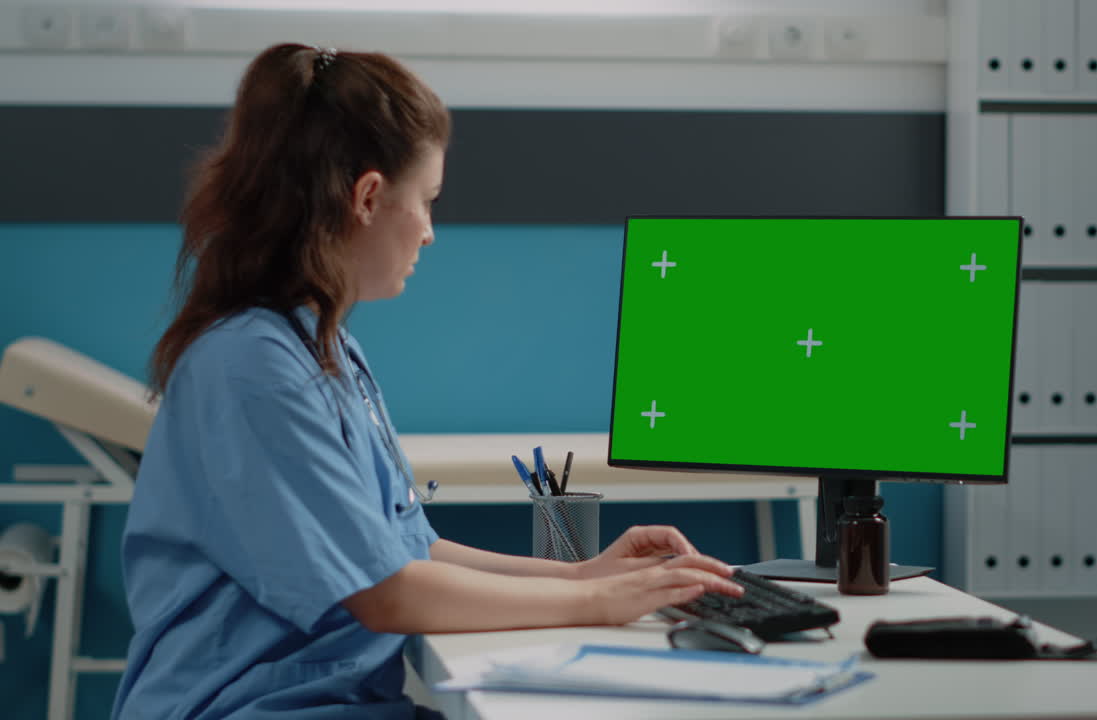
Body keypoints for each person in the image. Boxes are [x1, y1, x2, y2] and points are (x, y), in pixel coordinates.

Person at [111, 43, 740, 719]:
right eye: (428, 201)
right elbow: (387, 593)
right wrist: (596, 602)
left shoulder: (323, 348)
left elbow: (412, 551)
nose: (431, 233)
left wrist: (583, 574)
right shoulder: (253, 368)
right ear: (370, 197)